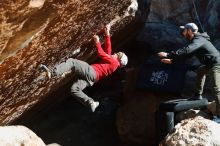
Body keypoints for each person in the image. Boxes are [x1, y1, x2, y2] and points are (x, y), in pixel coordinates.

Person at [39, 24, 128, 112]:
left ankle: (52, 73)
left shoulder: (114, 62)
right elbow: (108, 51)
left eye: (118, 54)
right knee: (74, 89)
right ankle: (91, 102)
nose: (116, 53)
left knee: (72, 62)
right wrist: (107, 33)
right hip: (92, 79)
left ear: (119, 58)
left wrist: (97, 42)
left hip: (92, 72)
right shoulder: (114, 65)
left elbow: (101, 54)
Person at [157, 22, 220, 119]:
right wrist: (172, 61)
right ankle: (198, 95)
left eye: (184, 31)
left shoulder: (199, 39)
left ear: (190, 31)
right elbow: (187, 55)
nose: (182, 33)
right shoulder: (196, 41)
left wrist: (169, 54)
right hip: (210, 64)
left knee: (216, 88)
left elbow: (187, 50)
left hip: (216, 64)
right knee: (200, 71)